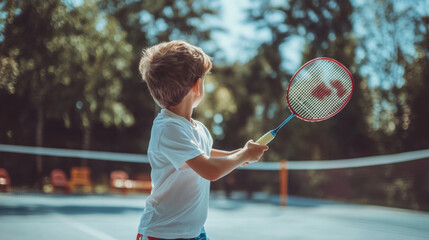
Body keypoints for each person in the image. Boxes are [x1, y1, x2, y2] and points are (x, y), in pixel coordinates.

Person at [137, 40, 269, 240]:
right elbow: (210, 170)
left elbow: (203, 155)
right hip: (163, 234)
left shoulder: (198, 128)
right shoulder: (168, 127)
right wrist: (244, 154)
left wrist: (240, 154)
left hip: (194, 232)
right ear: (197, 86)